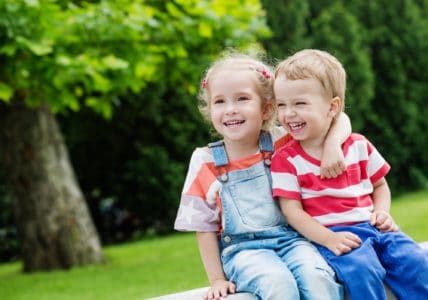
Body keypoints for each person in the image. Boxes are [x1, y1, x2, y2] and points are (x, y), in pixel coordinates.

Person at [174, 51, 351, 300]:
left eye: (242, 99)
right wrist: (216, 279)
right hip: (243, 251)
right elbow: (204, 228)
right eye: (220, 101)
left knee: (318, 277)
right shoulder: (206, 161)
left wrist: (332, 145)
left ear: (267, 109)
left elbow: (337, 117)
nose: (230, 110)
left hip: (293, 240)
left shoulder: (282, 141)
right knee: (278, 285)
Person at [271, 49, 428, 300]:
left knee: (417, 262)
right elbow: (292, 211)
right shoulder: (286, 159)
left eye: (300, 103)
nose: (288, 113)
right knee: (362, 271)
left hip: (377, 229)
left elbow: (380, 186)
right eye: (281, 104)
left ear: (332, 107)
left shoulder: (358, 145)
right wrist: (328, 239)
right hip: (337, 235)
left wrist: (382, 212)